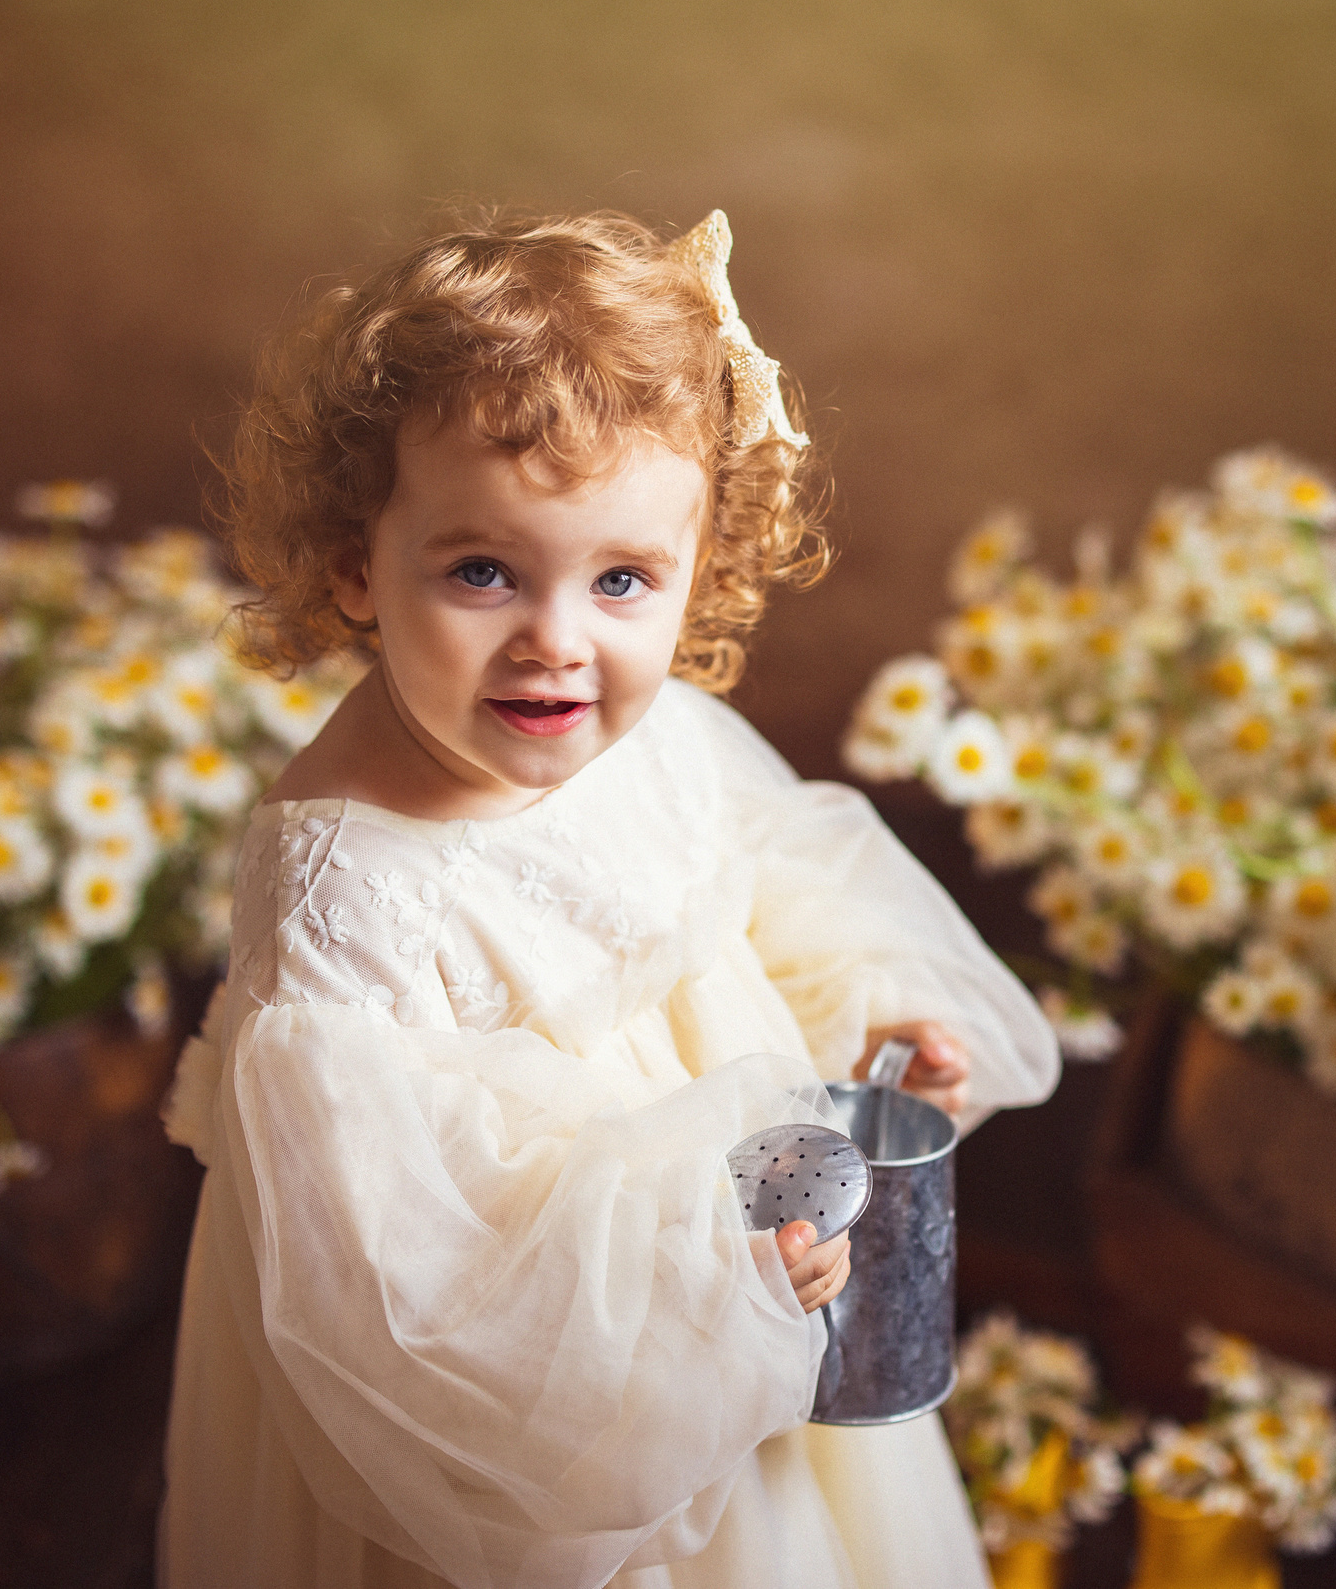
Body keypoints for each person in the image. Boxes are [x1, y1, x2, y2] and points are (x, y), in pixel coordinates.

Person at [159, 209, 1059, 1588]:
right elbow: (411, 1294)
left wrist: (869, 1025)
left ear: (700, 566)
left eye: (624, 579)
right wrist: (708, 1273)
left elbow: (769, 887)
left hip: (747, 1301)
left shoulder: (654, 734)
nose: (557, 642)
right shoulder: (347, 903)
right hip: (559, 1419)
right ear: (356, 562)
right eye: (483, 572)